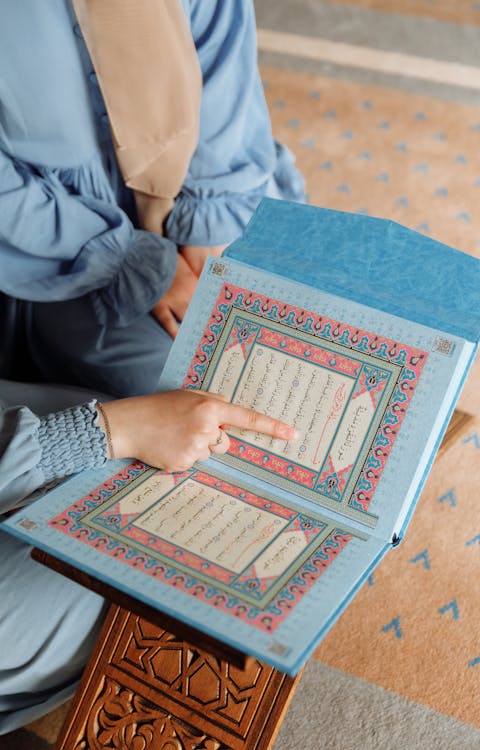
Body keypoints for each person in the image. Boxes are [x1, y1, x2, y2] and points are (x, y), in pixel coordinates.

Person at [0, 0, 304, 734]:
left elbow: (222, 65)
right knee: (149, 532)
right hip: (47, 255)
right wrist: (132, 263)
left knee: (247, 398)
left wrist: (208, 231)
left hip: (175, 230)